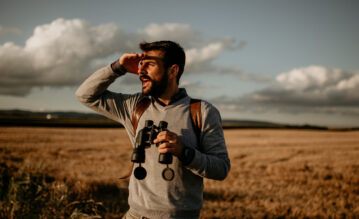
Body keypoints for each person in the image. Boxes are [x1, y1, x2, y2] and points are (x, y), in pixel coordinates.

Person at [76, 40, 230, 219]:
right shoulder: (134, 106)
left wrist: (184, 152)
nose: (141, 71)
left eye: (149, 64)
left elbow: (221, 168)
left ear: (173, 71)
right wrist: (119, 67)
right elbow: (84, 95)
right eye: (141, 64)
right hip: (135, 215)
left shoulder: (202, 111)